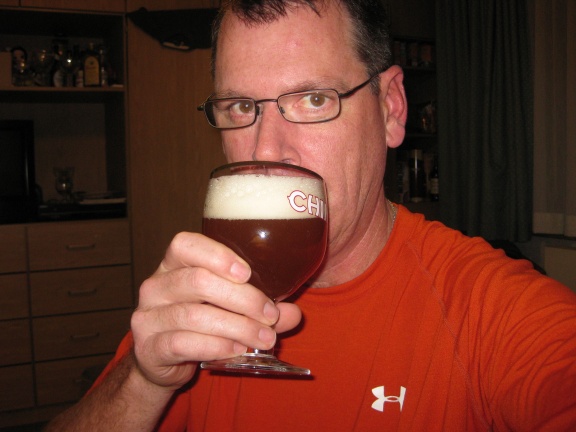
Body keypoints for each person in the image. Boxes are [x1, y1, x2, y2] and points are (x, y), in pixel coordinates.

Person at [46, 0, 576, 430]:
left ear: (391, 108)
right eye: (241, 107)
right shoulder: (202, 302)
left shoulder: (492, 309)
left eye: (313, 100)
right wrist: (144, 381)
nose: (267, 150)